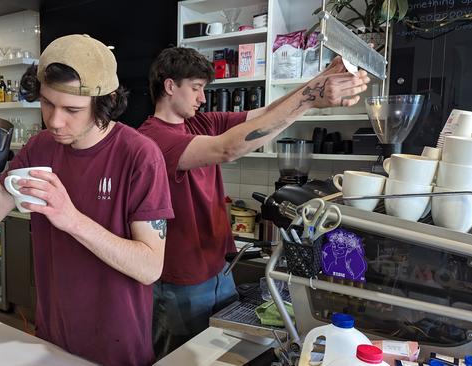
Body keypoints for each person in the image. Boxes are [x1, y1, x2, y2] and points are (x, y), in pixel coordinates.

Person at [0, 34, 173, 366]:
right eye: (46, 103)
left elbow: (149, 267)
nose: (55, 121)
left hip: (117, 347)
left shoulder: (140, 155)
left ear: (106, 101)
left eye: (72, 109)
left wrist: (70, 218)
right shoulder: (40, 147)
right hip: (52, 337)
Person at [138, 46, 371, 358]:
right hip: (182, 278)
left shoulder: (200, 123)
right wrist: (311, 96)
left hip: (218, 268)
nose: (202, 99)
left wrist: (323, 79)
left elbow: (265, 115)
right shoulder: (152, 140)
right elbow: (228, 149)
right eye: (195, 89)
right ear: (169, 86)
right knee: (184, 359)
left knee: (218, 357)